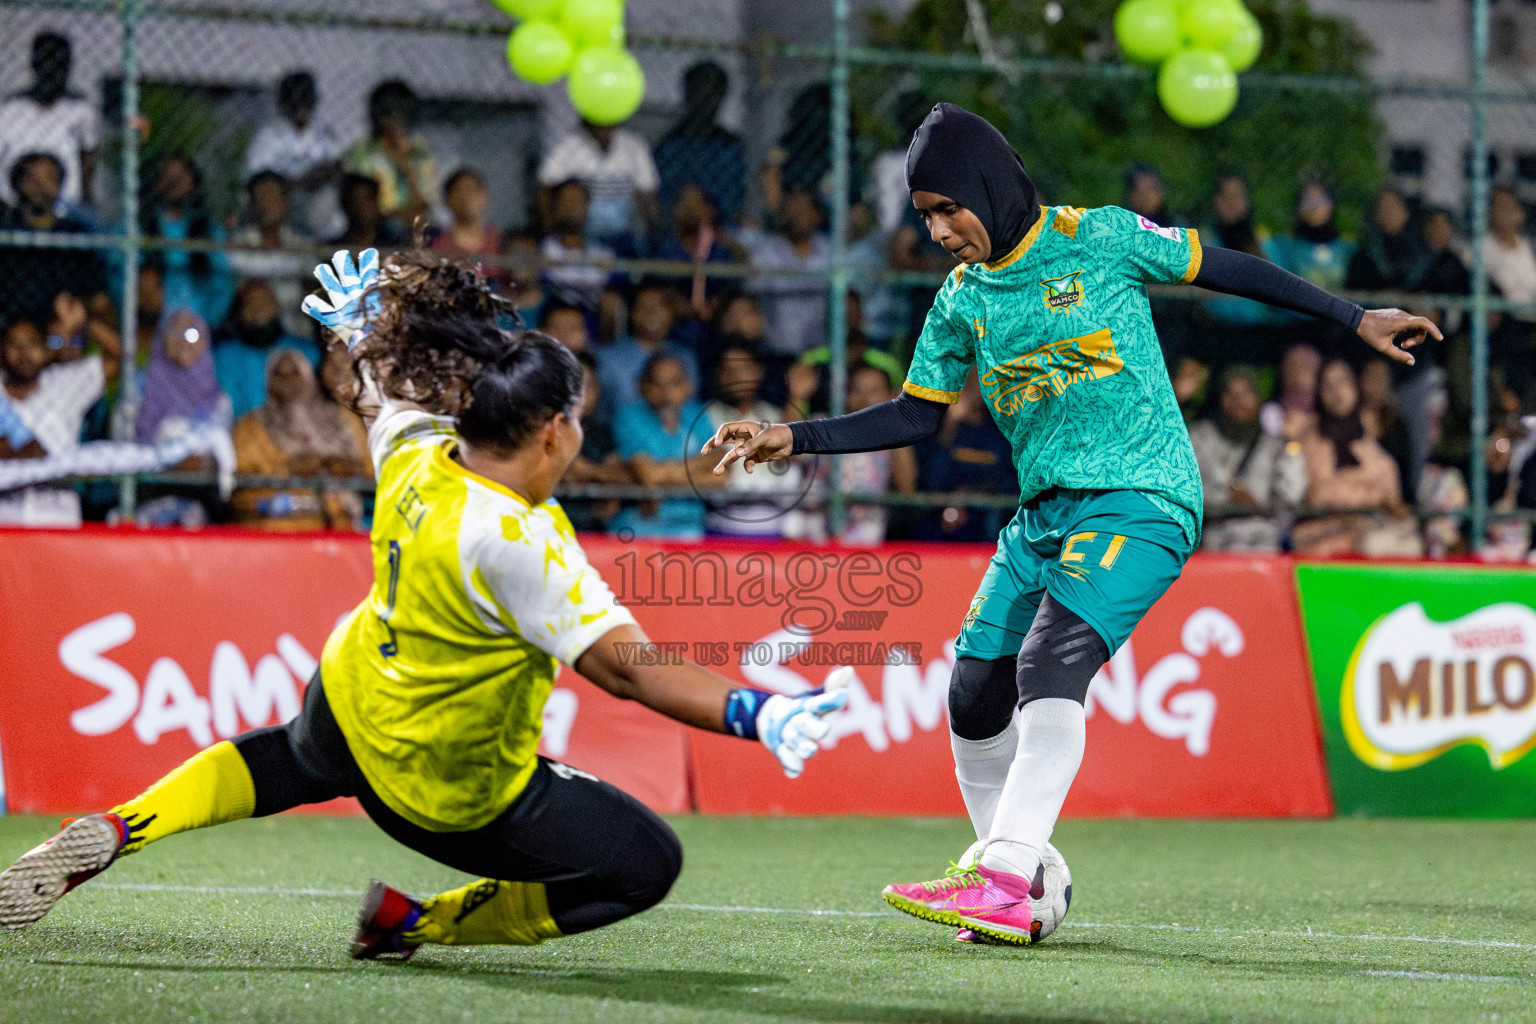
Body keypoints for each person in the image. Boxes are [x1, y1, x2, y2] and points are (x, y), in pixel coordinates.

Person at [702, 102, 1439, 946]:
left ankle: (1007, 877)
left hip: (1143, 496)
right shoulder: (960, 300)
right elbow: (914, 415)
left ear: (988, 185)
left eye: (948, 208)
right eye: (925, 216)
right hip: (1044, 515)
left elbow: (1229, 268)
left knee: (1051, 660)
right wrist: (792, 436)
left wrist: (1353, 317)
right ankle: (1007, 867)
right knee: (974, 693)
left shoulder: (1099, 236)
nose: (939, 230)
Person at [0, 246, 852, 947]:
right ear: (553, 430)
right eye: (580, 419)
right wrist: (755, 714)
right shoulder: (524, 544)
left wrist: (363, 326)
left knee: (287, 758)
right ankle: (415, 925)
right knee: (644, 862)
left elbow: (380, 390)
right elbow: (629, 671)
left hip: (351, 694)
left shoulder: (417, 448)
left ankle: (120, 827)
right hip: (441, 790)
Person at [229, 347, 370, 532]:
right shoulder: (249, 426)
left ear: (309, 377)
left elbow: (370, 471)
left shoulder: (343, 420)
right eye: (278, 374)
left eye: (294, 373)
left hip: (339, 528)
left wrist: (337, 467)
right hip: (272, 529)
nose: (286, 380)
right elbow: (238, 491)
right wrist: (290, 470)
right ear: (268, 381)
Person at [1291, 358, 1418, 558]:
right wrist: (1367, 494)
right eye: (1328, 385)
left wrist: (1359, 495)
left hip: (1372, 533)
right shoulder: (1308, 439)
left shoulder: (1372, 434)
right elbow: (1317, 494)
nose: (1336, 391)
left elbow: (1391, 493)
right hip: (1323, 538)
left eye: (1343, 382)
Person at [1188, 366, 1307, 553]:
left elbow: (1292, 496)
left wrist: (1292, 443)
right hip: (1215, 543)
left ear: (1259, 398)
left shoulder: (1276, 445)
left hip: (1263, 544)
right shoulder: (1198, 438)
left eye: (1246, 393)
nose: (1238, 401)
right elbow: (1188, 492)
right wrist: (1228, 498)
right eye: (1231, 393)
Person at [612, 352, 722, 541]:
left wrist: (661, 475)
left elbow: (721, 475)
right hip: (639, 528)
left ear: (688, 386)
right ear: (642, 386)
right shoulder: (628, 416)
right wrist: (698, 471)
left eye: (674, 383)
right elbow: (649, 474)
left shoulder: (697, 414)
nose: (666, 393)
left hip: (691, 529)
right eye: (657, 384)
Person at [0, 151, 109, 326]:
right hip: (12, 328)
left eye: (50, 178)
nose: (41, 186)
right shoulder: (6, 233)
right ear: (18, 184)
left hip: (63, 326)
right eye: (32, 178)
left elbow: (98, 298)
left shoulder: (76, 233)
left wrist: (77, 306)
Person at [703, 339, 796, 538]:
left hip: (771, 528)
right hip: (720, 526)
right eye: (727, 370)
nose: (735, 376)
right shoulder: (704, 418)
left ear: (758, 372)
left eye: (743, 368)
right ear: (717, 375)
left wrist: (796, 397)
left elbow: (790, 459)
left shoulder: (775, 417)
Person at [2, 296, 119, 455]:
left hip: (59, 478)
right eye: (15, 344)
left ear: (45, 350)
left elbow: (122, 356)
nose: (24, 353)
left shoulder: (64, 382)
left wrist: (85, 323)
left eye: (32, 343)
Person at [0, 32, 100, 212]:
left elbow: (88, 157)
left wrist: (80, 199)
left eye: (59, 65)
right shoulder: (10, 109)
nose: (52, 71)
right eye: (46, 62)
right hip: (12, 210)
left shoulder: (80, 110)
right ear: (34, 65)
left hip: (65, 210)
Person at [244, 71, 345, 238]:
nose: (299, 102)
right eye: (294, 95)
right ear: (283, 100)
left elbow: (337, 167)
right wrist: (304, 181)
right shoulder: (267, 136)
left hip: (316, 204)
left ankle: (329, 243)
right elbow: (260, 183)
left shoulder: (324, 135)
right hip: (284, 203)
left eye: (304, 95)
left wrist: (326, 174)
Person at [141, 155, 235, 327]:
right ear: (155, 182)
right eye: (166, 176)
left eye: (180, 177)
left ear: (193, 183)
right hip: (151, 324)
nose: (173, 182)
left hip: (200, 324)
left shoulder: (210, 231)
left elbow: (222, 283)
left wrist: (206, 324)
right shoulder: (138, 227)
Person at [538, 118, 658, 252]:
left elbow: (648, 193)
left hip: (625, 232)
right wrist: (549, 230)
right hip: (586, 233)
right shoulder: (570, 145)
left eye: (608, 123)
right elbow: (545, 187)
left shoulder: (634, 144)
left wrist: (653, 232)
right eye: (598, 124)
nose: (603, 130)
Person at [653, 61, 745, 228]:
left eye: (713, 92)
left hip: (719, 230)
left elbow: (732, 201)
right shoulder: (670, 145)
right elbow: (663, 200)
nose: (705, 99)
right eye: (699, 90)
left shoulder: (730, 146)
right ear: (687, 94)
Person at [215, 279, 321, 419]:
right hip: (242, 433)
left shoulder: (306, 351)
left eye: (264, 302)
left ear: (276, 306)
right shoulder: (224, 355)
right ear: (240, 311)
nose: (258, 309)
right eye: (249, 303)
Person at [595, 280, 698, 422]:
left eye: (660, 305)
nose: (652, 312)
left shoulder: (685, 356)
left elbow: (690, 409)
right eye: (644, 306)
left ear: (671, 312)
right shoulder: (606, 357)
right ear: (632, 314)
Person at [228, 171, 314, 338]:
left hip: (297, 333)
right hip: (252, 333)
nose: (267, 204)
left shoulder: (303, 246)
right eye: (261, 197)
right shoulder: (237, 245)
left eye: (273, 196)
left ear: (286, 203)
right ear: (252, 205)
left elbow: (315, 289)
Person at [747, 188, 831, 358]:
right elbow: (751, 300)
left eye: (803, 209)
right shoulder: (765, 253)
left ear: (817, 215)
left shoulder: (830, 251)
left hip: (821, 351)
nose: (796, 215)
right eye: (790, 209)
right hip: (775, 351)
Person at [345, 81, 436, 225]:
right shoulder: (362, 153)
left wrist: (408, 171)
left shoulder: (420, 153)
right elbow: (360, 204)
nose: (394, 122)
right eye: (388, 113)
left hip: (414, 224)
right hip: (376, 226)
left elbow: (426, 205)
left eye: (400, 113)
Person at [1267, 178, 1355, 295]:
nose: (1315, 207)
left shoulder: (1348, 250)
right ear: (1298, 207)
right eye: (1308, 200)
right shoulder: (1284, 247)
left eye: (1321, 200)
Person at [539, 179, 614, 313]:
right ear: (555, 207)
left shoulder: (603, 253)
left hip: (590, 319)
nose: (571, 207)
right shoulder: (541, 249)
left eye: (577, 201)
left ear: (587, 206)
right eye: (566, 201)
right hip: (552, 314)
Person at [1345, 187, 1429, 294]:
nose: (1389, 213)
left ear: (1406, 212)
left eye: (1393, 206)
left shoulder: (1425, 254)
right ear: (1375, 215)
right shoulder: (1363, 258)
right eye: (1383, 207)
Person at [430, 168, 503, 277]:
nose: (468, 197)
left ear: (484, 195)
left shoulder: (501, 241)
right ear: (447, 199)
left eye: (473, 190)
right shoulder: (436, 245)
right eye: (460, 190)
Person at [331, 172, 410, 250]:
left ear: (375, 202)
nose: (361, 208)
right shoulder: (335, 249)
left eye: (366, 201)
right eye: (355, 202)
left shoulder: (394, 239)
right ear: (345, 205)